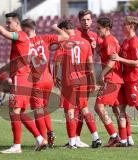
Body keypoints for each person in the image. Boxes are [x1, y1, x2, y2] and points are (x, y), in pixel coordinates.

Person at [0, 4, 47, 153]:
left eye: (9, 22)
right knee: (19, 112)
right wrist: (0, 70)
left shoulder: (19, 35)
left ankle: (16, 146)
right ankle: (40, 139)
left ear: (17, 23)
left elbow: (2, 32)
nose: (7, 25)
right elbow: (16, 62)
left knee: (13, 112)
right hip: (25, 78)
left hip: (20, 78)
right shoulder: (23, 39)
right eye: (6, 22)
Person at [53, 20, 102, 149]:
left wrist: (54, 77)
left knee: (69, 111)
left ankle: (72, 143)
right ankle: (95, 137)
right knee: (84, 109)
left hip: (69, 80)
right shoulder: (85, 43)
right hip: (83, 80)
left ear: (63, 29)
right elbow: (90, 65)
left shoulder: (63, 43)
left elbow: (56, 62)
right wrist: (93, 82)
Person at [21, 18, 69, 147]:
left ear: (25, 29)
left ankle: (43, 140)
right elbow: (65, 36)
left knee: (38, 111)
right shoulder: (45, 38)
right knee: (44, 109)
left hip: (35, 80)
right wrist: (56, 28)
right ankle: (50, 132)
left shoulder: (24, 42)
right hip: (48, 79)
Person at [111, 16, 138, 147]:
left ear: (131, 26)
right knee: (121, 108)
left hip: (134, 80)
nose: (122, 26)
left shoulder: (135, 42)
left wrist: (119, 59)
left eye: (124, 24)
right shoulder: (125, 42)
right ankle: (125, 139)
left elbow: (136, 63)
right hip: (125, 80)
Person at [94, 17, 134, 147]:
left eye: (99, 28)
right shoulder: (110, 40)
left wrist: (102, 75)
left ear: (106, 28)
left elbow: (112, 61)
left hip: (111, 79)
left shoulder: (109, 40)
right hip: (116, 79)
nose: (97, 30)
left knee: (98, 107)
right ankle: (126, 138)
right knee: (118, 110)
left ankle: (114, 136)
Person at [69, 9, 103, 147]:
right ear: (79, 21)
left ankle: (77, 137)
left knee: (81, 107)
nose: (86, 22)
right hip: (76, 73)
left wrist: (97, 47)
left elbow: (105, 48)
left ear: (92, 20)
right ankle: (76, 137)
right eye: (83, 20)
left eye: (88, 19)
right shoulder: (75, 33)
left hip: (87, 74)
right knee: (80, 107)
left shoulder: (95, 35)